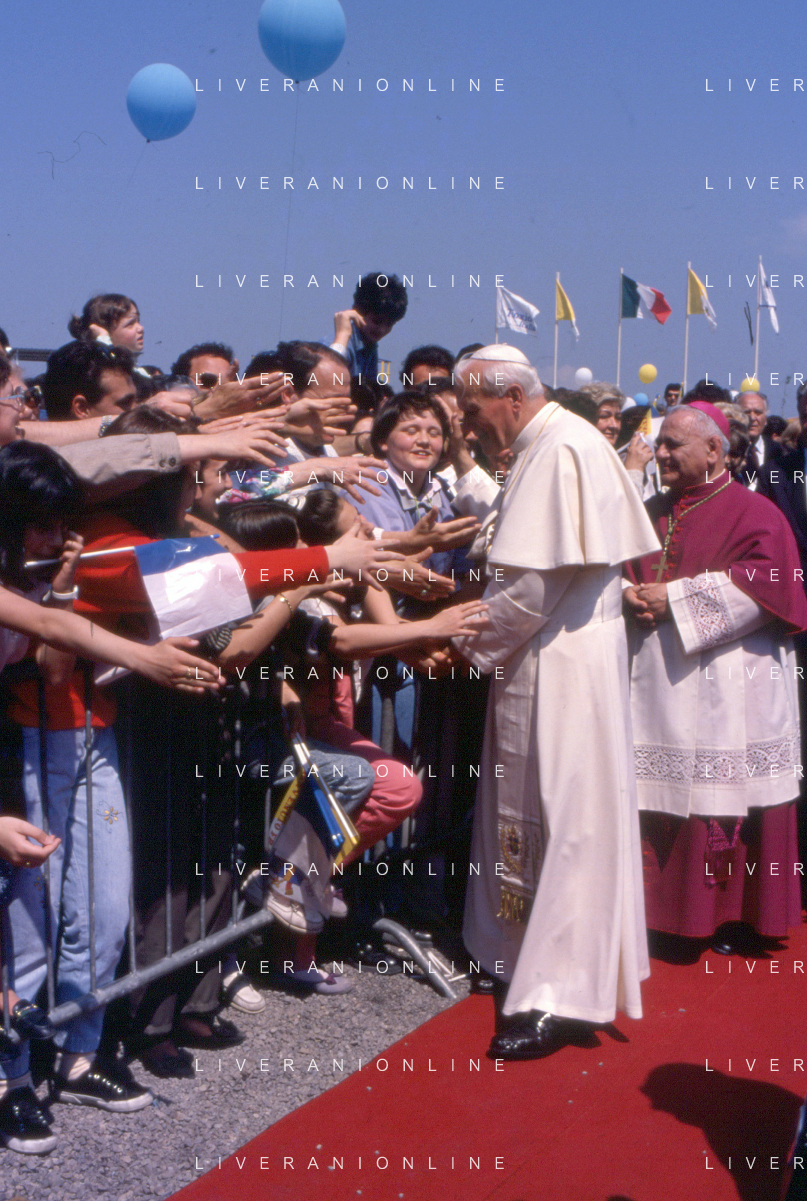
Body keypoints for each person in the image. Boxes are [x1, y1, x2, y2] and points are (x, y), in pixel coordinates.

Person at [449, 345, 659, 1060]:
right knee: (534, 810)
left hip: (564, 663)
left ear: (510, 397)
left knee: (570, 820)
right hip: (540, 656)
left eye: (472, 410)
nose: (467, 425)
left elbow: (532, 588)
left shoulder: (564, 446)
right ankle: (515, 953)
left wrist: (458, 640)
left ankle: (562, 993)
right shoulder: (546, 444)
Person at [624, 402, 807, 954]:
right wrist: (628, 595)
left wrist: (676, 599)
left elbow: (773, 583)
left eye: (672, 445)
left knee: (725, 795)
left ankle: (730, 917)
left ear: (713, 450)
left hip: (732, 683)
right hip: (655, 680)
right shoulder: (647, 511)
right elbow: (615, 571)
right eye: (659, 444)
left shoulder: (756, 513)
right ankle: (653, 916)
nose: (659, 453)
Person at [330, 273, 408, 381]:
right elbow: (328, 379)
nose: (382, 330)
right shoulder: (338, 347)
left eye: (389, 324)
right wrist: (342, 335)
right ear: (357, 312)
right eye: (377, 321)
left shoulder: (369, 347)